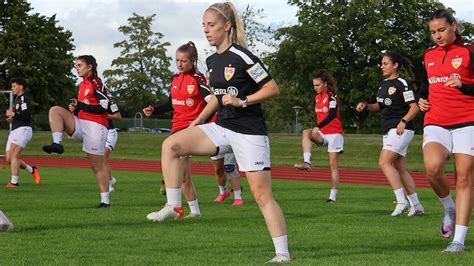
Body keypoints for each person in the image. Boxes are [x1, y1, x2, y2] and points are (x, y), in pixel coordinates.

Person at [146, 2, 291, 263]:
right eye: (204, 25)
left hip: (249, 132)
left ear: (227, 26)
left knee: (261, 195)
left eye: (211, 25)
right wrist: (197, 122)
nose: (206, 30)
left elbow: (273, 88)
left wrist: (243, 102)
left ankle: (282, 253)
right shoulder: (212, 60)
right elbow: (216, 97)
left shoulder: (244, 56)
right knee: (171, 145)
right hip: (222, 127)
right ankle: (173, 205)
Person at [418, 9, 474, 253]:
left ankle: (458, 241)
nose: (437, 36)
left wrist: (464, 86)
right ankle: (448, 207)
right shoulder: (428, 55)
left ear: (454, 26)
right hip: (436, 121)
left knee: (463, 178)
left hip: (467, 121)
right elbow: (425, 86)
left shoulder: (470, 52)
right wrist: (421, 100)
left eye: (441, 30)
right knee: (432, 168)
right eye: (433, 32)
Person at [143, 41, 210, 218]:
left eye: (184, 61)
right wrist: (154, 110)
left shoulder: (198, 79)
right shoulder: (175, 79)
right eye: (177, 60)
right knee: (184, 175)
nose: (180, 64)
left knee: (180, 172)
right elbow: (171, 103)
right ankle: (194, 212)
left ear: (193, 61)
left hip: (190, 130)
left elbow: (212, 102)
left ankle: (174, 207)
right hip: (177, 129)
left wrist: (202, 122)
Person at [356, 51, 424, 217]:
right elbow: (378, 106)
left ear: (395, 65)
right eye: (382, 63)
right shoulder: (383, 85)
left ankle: (401, 202)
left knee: (384, 162)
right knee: (400, 168)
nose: (382, 66)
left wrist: (404, 121)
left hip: (400, 128)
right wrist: (365, 105)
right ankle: (417, 206)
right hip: (389, 129)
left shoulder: (402, 83)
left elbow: (414, 107)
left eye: (385, 63)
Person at [42, 55, 112, 208]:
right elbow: (84, 107)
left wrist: (82, 107)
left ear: (90, 67)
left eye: (80, 65)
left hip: (96, 126)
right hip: (81, 123)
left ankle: (105, 200)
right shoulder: (82, 85)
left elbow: (105, 107)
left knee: (97, 166)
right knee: (55, 110)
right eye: (76, 65)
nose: (77, 68)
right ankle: (57, 143)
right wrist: (76, 110)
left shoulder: (96, 83)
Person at [294, 70, 344, 203]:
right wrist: (319, 128)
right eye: (314, 85)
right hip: (323, 133)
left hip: (334, 134)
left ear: (325, 84)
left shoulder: (332, 96)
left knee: (332, 165)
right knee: (306, 132)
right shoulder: (317, 98)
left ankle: (332, 197)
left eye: (317, 85)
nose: (315, 88)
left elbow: (332, 115)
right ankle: (307, 162)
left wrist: (318, 126)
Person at [4, 77, 41, 187]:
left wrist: (12, 114)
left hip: (23, 129)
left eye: (14, 86)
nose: (12, 88)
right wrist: (11, 118)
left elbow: (25, 116)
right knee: (9, 158)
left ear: (21, 86)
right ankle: (32, 170)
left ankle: (14, 182)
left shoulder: (24, 99)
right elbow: (19, 116)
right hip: (15, 130)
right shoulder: (17, 100)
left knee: (15, 155)